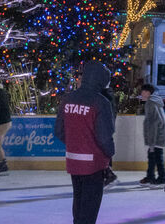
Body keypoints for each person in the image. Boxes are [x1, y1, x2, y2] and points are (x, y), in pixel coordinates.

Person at [54, 61, 115, 223]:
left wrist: (76, 144)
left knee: (79, 203)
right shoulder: (101, 102)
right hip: (94, 164)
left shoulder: (67, 99)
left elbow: (59, 131)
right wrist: (110, 154)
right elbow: (104, 137)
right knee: (89, 209)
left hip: (74, 161)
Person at [139, 84, 165, 187]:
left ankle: (162, 178)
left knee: (157, 156)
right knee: (152, 156)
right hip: (159, 134)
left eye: (143, 92)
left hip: (157, 135)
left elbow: (153, 123)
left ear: (148, 92)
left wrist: (152, 142)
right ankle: (150, 176)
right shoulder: (154, 101)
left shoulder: (150, 103)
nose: (141, 94)